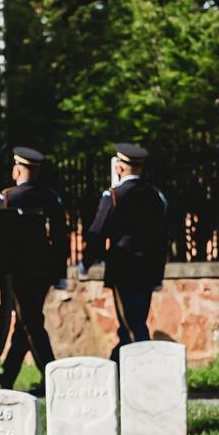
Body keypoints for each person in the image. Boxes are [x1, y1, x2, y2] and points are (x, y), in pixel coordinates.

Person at [81, 142, 169, 360]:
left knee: (133, 325)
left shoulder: (113, 196)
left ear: (119, 168)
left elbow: (98, 231)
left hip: (124, 268)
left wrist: (86, 262)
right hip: (148, 268)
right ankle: (115, 371)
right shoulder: (155, 196)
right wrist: (159, 273)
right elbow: (161, 238)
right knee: (131, 324)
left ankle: (149, 371)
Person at [0, 146, 68, 393]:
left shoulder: (7, 198)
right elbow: (60, 238)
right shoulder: (51, 197)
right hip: (44, 269)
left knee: (31, 322)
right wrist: (60, 273)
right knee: (27, 321)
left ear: (17, 169)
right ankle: (8, 375)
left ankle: (51, 376)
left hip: (19, 269)